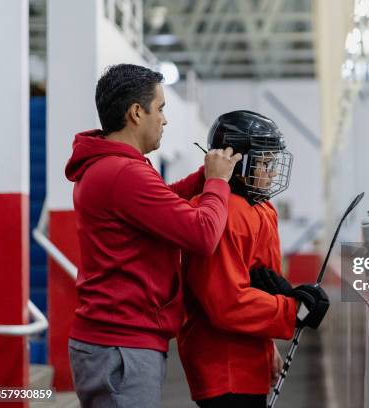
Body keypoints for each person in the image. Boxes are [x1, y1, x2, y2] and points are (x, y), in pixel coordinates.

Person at [64, 64, 241, 408]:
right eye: (160, 108)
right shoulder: (124, 173)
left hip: (115, 342)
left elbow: (162, 202)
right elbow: (203, 234)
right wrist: (217, 183)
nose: (165, 119)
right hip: (122, 347)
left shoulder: (111, 166)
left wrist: (204, 176)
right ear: (135, 112)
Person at [177, 110, 329, 408]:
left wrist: (267, 342)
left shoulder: (261, 209)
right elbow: (227, 303)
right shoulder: (225, 213)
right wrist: (292, 310)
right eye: (265, 163)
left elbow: (257, 282)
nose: (272, 172)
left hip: (248, 359)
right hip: (224, 368)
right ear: (238, 163)